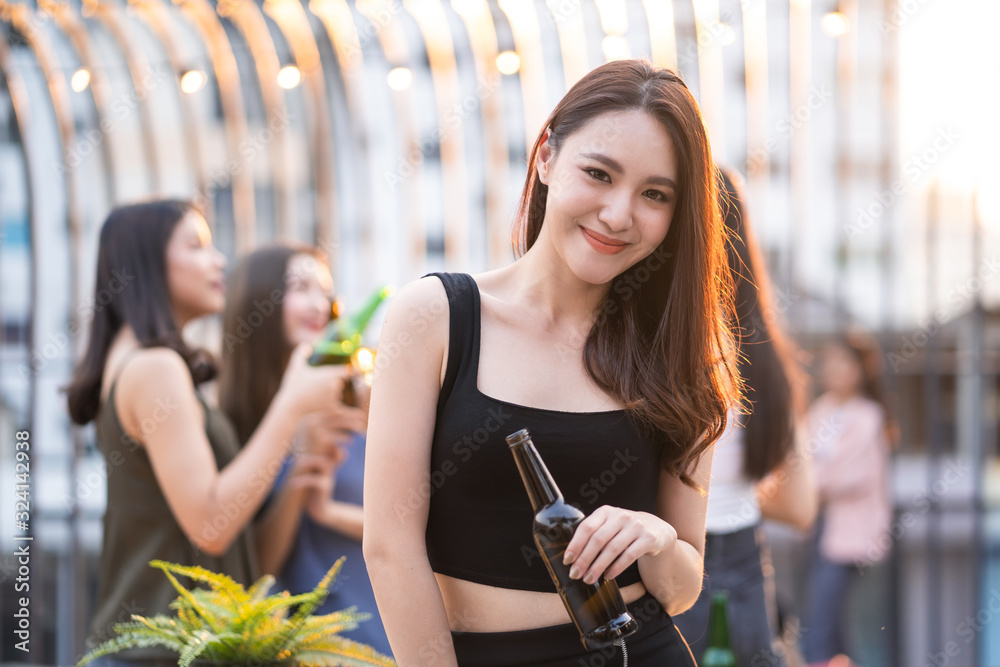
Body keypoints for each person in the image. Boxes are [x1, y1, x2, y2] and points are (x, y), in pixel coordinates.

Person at [363, 59, 742, 666]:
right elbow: (389, 545)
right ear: (545, 157)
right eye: (598, 173)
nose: (619, 214)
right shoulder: (434, 316)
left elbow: (681, 588)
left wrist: (658, 539)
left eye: (654, 194)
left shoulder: (677, 352)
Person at [66, 201, 345, 664]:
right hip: (163, 651)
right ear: (147, 264)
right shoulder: (155, 367)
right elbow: (212, 524)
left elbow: (234, 548)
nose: (218, 260)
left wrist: (297, 474)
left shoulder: (139, 363)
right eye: (196, 246)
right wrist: (293, 402)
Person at [672, 169, 817, 665]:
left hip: (668, 570)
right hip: (749, 572)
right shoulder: (764, 358)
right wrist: (734, 490)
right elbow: (799, 506)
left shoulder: (650, 350)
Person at [217, 243, 391, 656]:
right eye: (300, 287)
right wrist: (300, 477)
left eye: (325, 291)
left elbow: (416, 526)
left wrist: (329, 511)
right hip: (309, 650)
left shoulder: (362, 397)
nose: (319, 304)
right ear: (256, 301)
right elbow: (255, 570)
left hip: (388, 641)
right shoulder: (231, 424)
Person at [801, 333, 894, 667]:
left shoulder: (868, 416)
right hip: (821, 528)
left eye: (845, 362)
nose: (835, 369)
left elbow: (847, 475)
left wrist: (808, 482)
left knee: (836, 628)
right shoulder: (822, 408)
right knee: (827, 625)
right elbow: (802, 459)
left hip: (855, 539)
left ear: (861, 370)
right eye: (831, 361)